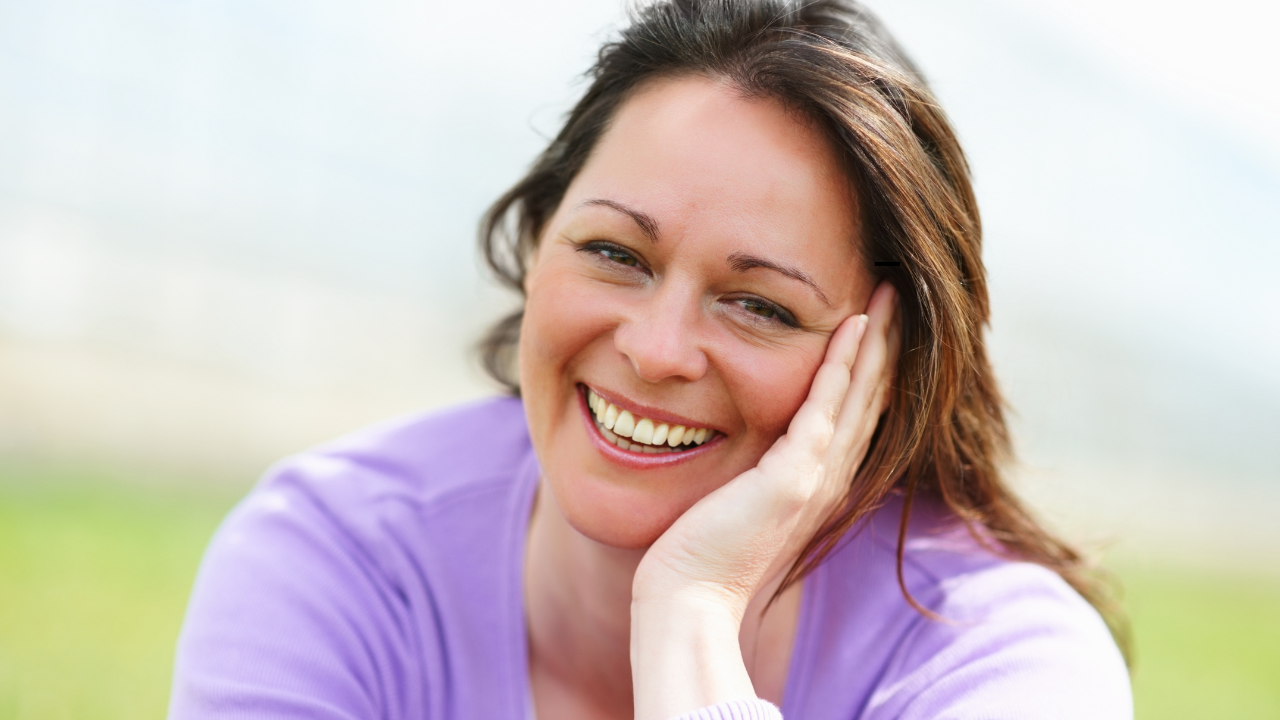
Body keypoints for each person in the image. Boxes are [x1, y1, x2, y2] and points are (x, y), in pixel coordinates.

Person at [168, 1, 1132, 718]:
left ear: (884, 362)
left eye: (759, 304)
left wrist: (693, 613)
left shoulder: (999, 663)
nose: (657, 349)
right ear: (538, 239)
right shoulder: (336, 561)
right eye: (615, 254)